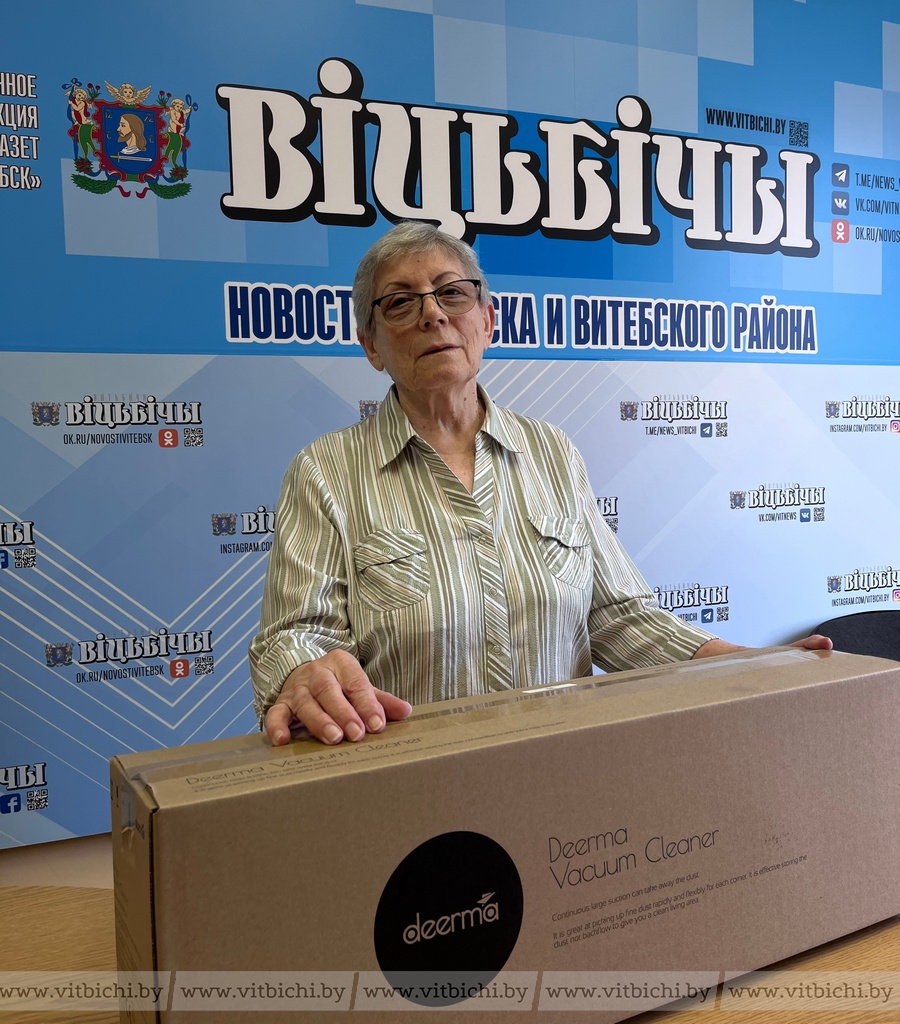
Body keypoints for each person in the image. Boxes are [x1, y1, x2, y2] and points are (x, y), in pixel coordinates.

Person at [249, 222, 831, 747]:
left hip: (563, 776)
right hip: (413, 788)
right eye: (400, 302)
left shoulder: (552, 452)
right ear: (371, 345)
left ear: (487, 320)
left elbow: (618, 617)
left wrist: (741, 663)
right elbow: (295, 635)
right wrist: (304, 672)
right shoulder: (325, 472)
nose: (433, 315)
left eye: (452, 293)